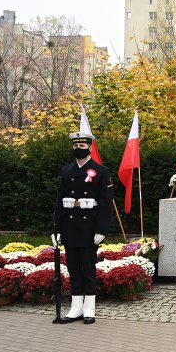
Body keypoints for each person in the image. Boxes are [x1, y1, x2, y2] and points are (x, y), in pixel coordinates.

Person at [51, 132, 114, 324]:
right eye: (75, 147)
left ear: (89, 147)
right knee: (72, 268)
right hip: (70, 224)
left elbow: (106, 203)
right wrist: (56, 229)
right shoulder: (66, 170)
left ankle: (89, 308)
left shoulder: (101, 171)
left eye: (82, 146)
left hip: (89, 225)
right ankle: (76, 307)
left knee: (88, 268)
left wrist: (102, 229)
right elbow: (59, 201)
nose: (78, 150)